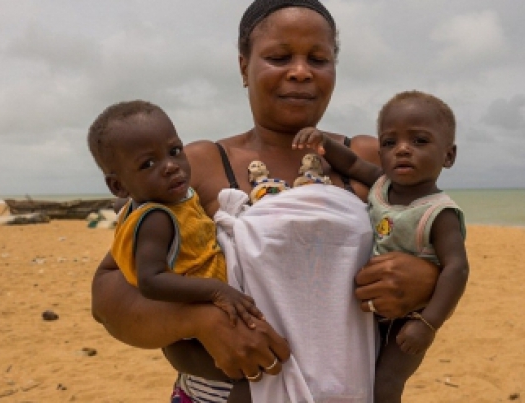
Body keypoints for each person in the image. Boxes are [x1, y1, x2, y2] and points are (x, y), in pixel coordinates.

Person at [90, 1, 441, 402]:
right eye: (278, 57)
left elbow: (441, 240)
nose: (300, 71)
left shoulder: (369, 160)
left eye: (319, 58)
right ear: (244, 66)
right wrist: (201, 319)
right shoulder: (196, 167)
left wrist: (424, 279)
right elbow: (109, 293)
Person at [293, 90, 470, 401]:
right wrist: (322, 142)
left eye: (419, 141)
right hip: (369, 312)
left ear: (448, 156)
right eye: (389, 143)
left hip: (408, 318)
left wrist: (428, 324)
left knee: (386, 383)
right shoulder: (381, 184)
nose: (402, 150)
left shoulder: (438, 213)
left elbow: (457, 268)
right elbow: (349, 162)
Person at [86, 100, 264, 331]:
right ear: (118, 185)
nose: (170, 166)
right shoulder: (157, 219)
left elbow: (125, 206)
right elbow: (150, 281)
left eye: (175, 151)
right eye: (148, 163)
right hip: (208, 304)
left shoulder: (155, 200)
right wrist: (216, 290)